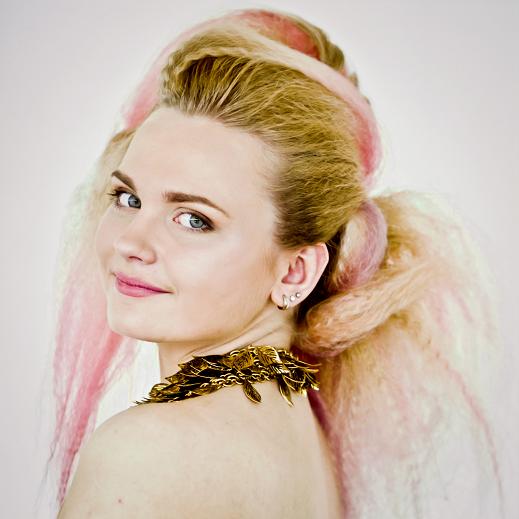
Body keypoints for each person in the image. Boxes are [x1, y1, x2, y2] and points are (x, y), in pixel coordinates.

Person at [44, 7, 502, 518]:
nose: (131, 241)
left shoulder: (147, 451)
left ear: (294, 272)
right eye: (128, 198)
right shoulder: (302, 434)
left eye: (194, 219)